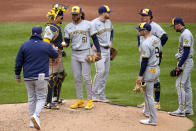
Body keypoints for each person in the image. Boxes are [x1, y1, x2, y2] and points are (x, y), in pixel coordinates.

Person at [15, 26, 59, 130]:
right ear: (41, 34)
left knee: (31, 98)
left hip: (28, 76)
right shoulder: (46, 45)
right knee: (41, 97)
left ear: (31, 33)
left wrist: (17, 74)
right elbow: (55, 55)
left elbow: (18, 61)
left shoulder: (24, 45)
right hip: (41, 77)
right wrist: (55, 49)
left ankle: (32, 121)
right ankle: (36, 115)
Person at [63, 6, 101, 110]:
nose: (74, 16)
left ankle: (90, 101)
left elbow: (94, 38)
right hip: (74, 54)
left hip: (86, 53)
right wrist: (60, 45)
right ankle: (80, 100)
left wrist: (99, 51)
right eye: (73, 14)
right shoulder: (68, 27)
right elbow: (66, 42)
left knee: (86, 77)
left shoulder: (88, 24)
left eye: (76, 14)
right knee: (77, 78)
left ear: (80, 14)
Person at [137, 8, 168, 109]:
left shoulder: (155, 26)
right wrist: (139, 45)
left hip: (153, 57)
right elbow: (139, 36)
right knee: (146, 77)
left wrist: (157, 49)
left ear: (150, 16)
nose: (143, 17)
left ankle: (157, 102)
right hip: (144, 54)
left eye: (145, 16)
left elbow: (164, 37)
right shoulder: (142, 26)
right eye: (142, 15)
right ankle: (147, 102)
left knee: (154, 78)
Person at [136, 22, 162, 125]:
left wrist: (140, 76)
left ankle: (152, 119)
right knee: (148, 95)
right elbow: (160, 53)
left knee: (148, 95)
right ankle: (148, 113)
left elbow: (144, 61)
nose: (138, 31)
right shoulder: (156, 39)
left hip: (149, 71)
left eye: (140, 29)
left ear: (145, 31)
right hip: (156, 69)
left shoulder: (145, 43)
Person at [43, 4, 68, 109]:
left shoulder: (56, 27)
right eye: (61, 17)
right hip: (53, 56)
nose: (63, 19)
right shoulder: (51, 28)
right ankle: (48, 102)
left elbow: (54, 41)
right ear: (57, 17)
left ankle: (55, 98)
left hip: (58, 55)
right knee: (52, 76)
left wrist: (61, 49)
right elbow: (46, 42)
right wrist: (55, 50)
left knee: (61, 75)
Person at [168, 17, 194, 117]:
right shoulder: (184, 33)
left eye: (174, 26)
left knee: (179, 84)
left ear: (178, 24)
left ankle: (181, 110)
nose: (174, 28)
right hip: (186, 61)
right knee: (187, 86)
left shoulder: (186, 34)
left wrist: (179, 65)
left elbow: (186, 51)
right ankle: (189, 109)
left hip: (185, 62)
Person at [91, 5, 114, 102]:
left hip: (107, 51)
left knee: (105, 73)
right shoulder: (93, 23)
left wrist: (111, 41)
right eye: (108, 12)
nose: (109, 14)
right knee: (100, 72)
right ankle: (93, 94)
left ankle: (101, 94)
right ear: (103, 13)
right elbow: (85, 36)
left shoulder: (109, 22)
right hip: (98, 51)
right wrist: (91, 45)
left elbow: (112, 31)